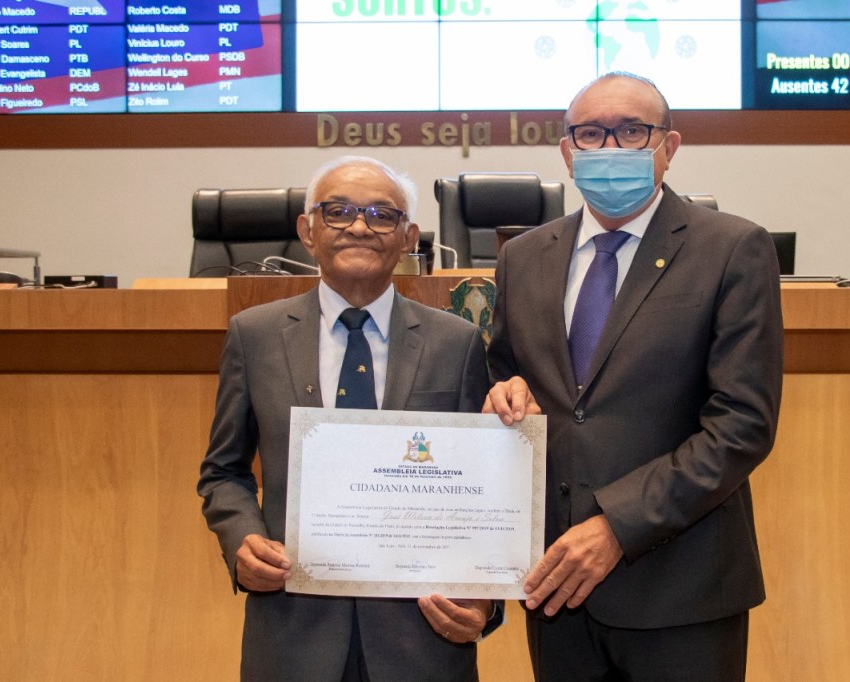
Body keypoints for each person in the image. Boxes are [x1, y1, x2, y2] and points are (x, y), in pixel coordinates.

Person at [484, 72, 784, 680]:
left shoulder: (733, 249)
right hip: (557, 588)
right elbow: (507, 372)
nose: (611, 149)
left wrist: (618, 526)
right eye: (592, 134)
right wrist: (502, 393)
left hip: (682, 588)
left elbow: (741, 426)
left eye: (632, 131)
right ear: (568, 152)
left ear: (668, 147)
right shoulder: (523, 255)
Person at [198, 156, 501, 681]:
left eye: (382, 215)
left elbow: (484, 486)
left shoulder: (458, 343)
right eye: (338, 211)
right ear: (307, 230)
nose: (359, 225)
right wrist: (241, 540)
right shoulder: (256, 335)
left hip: (422, 639)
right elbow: (223, 472)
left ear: (408, 238)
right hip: (293, 633)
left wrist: (485, 602)